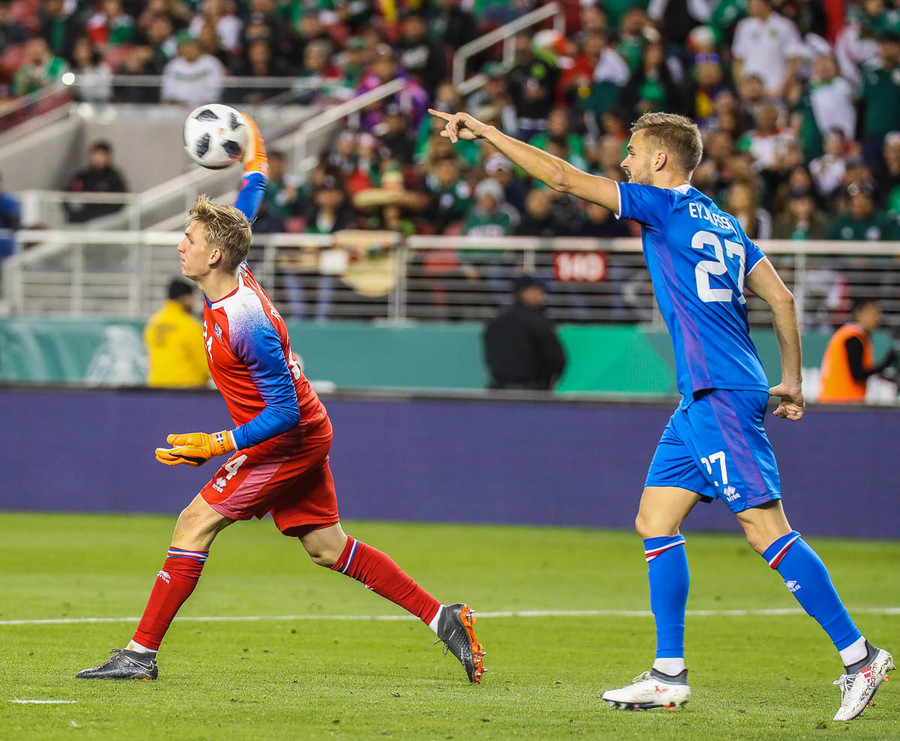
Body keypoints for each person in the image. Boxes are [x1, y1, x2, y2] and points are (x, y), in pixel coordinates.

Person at [429, 106, 894, 719]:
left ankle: (860, 657)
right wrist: (791, 382)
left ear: (659, 158)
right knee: (655, 519)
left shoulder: (663, 205)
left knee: (765, 529)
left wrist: (489, 133)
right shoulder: (726, 222)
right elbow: (781, 298)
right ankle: (668, 673)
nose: (623, 162)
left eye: (631, 151)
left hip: (719, 392)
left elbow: (563, 179)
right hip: (706, 395)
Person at [76, 117, 484, 685]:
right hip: (304, 431)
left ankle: (139, 654)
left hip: (287, 439)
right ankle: (444, 618)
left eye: (189, 239)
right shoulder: (233, 268)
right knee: (327, 548)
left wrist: (216, 443)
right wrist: (256, 158)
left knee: (193, 523)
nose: (180, 245)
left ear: (215, 256)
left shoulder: (247, 322)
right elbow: (247, 205)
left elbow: (284, 412)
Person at [483, 275, 566, 391]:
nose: (542, 295)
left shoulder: (495, 321)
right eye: (537, 291)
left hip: (499, 389)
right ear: (525, 293)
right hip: (532, 390)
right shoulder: (537, 322)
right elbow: (555, 359)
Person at [818, 298, 897, 404]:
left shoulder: (853, 334)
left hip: (837, 400)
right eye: (874, 313)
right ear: (859, 313)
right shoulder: (853, 337)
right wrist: (884, 365)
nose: (878, 318)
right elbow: (857, 373)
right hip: (842, 401)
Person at [144, 278, 210, 389]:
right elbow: (205, 365)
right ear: (186, 298)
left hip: (156, 389)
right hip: (188, 390)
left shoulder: (153, 324)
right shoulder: (190, 325)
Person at [65, 141, 128, 223]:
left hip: (105, 222)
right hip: (80, 221)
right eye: (96, 155)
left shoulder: (114, 178)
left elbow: (120, 201)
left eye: (102, 155)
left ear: (108, 157)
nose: (98, 158)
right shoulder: (82, 177)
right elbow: (68, 197)